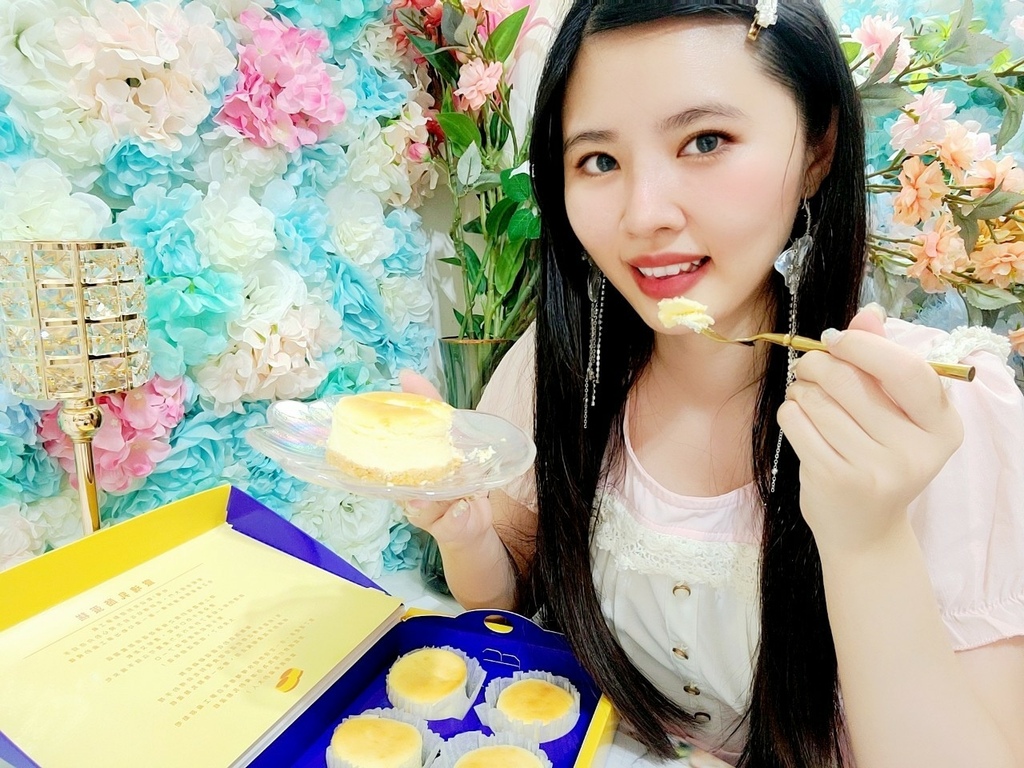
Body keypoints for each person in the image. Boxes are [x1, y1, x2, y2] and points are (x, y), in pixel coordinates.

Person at [401, 1, 1024, 765]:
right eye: (599, 161)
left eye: (705, 142)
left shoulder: (935, 414)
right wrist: (462, 530)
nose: (644, 215)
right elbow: (509, 600)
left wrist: (867, 539)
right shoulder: (558, 366)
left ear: (818, 147)